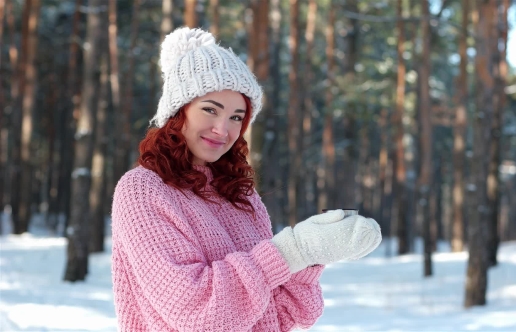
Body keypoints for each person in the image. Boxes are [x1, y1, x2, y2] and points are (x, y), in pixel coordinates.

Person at [111, 27, 382, 332]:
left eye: (237, 117)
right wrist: (294, 250)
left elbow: (285, 315)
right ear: (178, 110)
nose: (222, 129)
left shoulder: (239, 194)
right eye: (210, 110)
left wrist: (312, 253)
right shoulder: (143, 190)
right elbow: (195, 309)